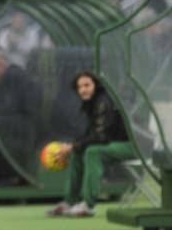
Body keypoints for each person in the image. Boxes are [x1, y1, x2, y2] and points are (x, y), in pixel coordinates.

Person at [47, 72, 135, 218]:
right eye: (79, 87)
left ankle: (87, 205)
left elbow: (101, 137)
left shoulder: (103, 102)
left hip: (135, 147)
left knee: (93, 152)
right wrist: (72, 147)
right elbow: (90, 135)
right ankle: (70, 202)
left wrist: (72, 146)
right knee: (79, 152)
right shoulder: (92, 104)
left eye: (87, 85)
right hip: (115, 145)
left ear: (96, 85)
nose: (83, 90)